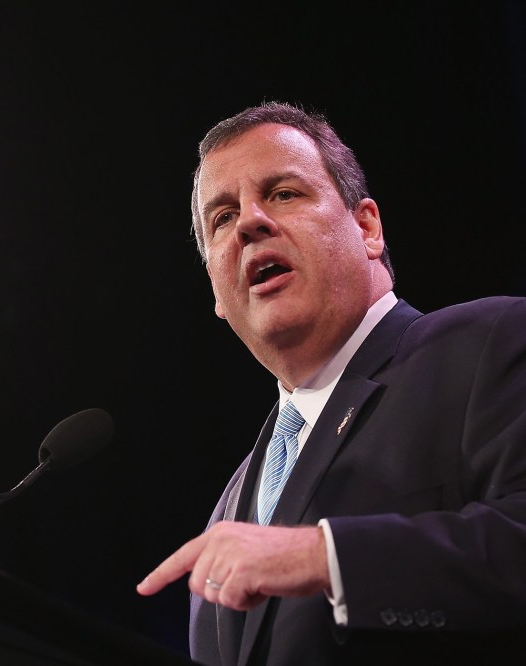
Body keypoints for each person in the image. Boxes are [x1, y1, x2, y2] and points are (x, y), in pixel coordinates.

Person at [135, 102, 526, 665]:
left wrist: (328, 558)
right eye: (222, 217)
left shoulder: (490, 343)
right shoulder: (229, 511)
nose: (248, 223)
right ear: (217, 295)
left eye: (282, 193)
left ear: (367, 227)